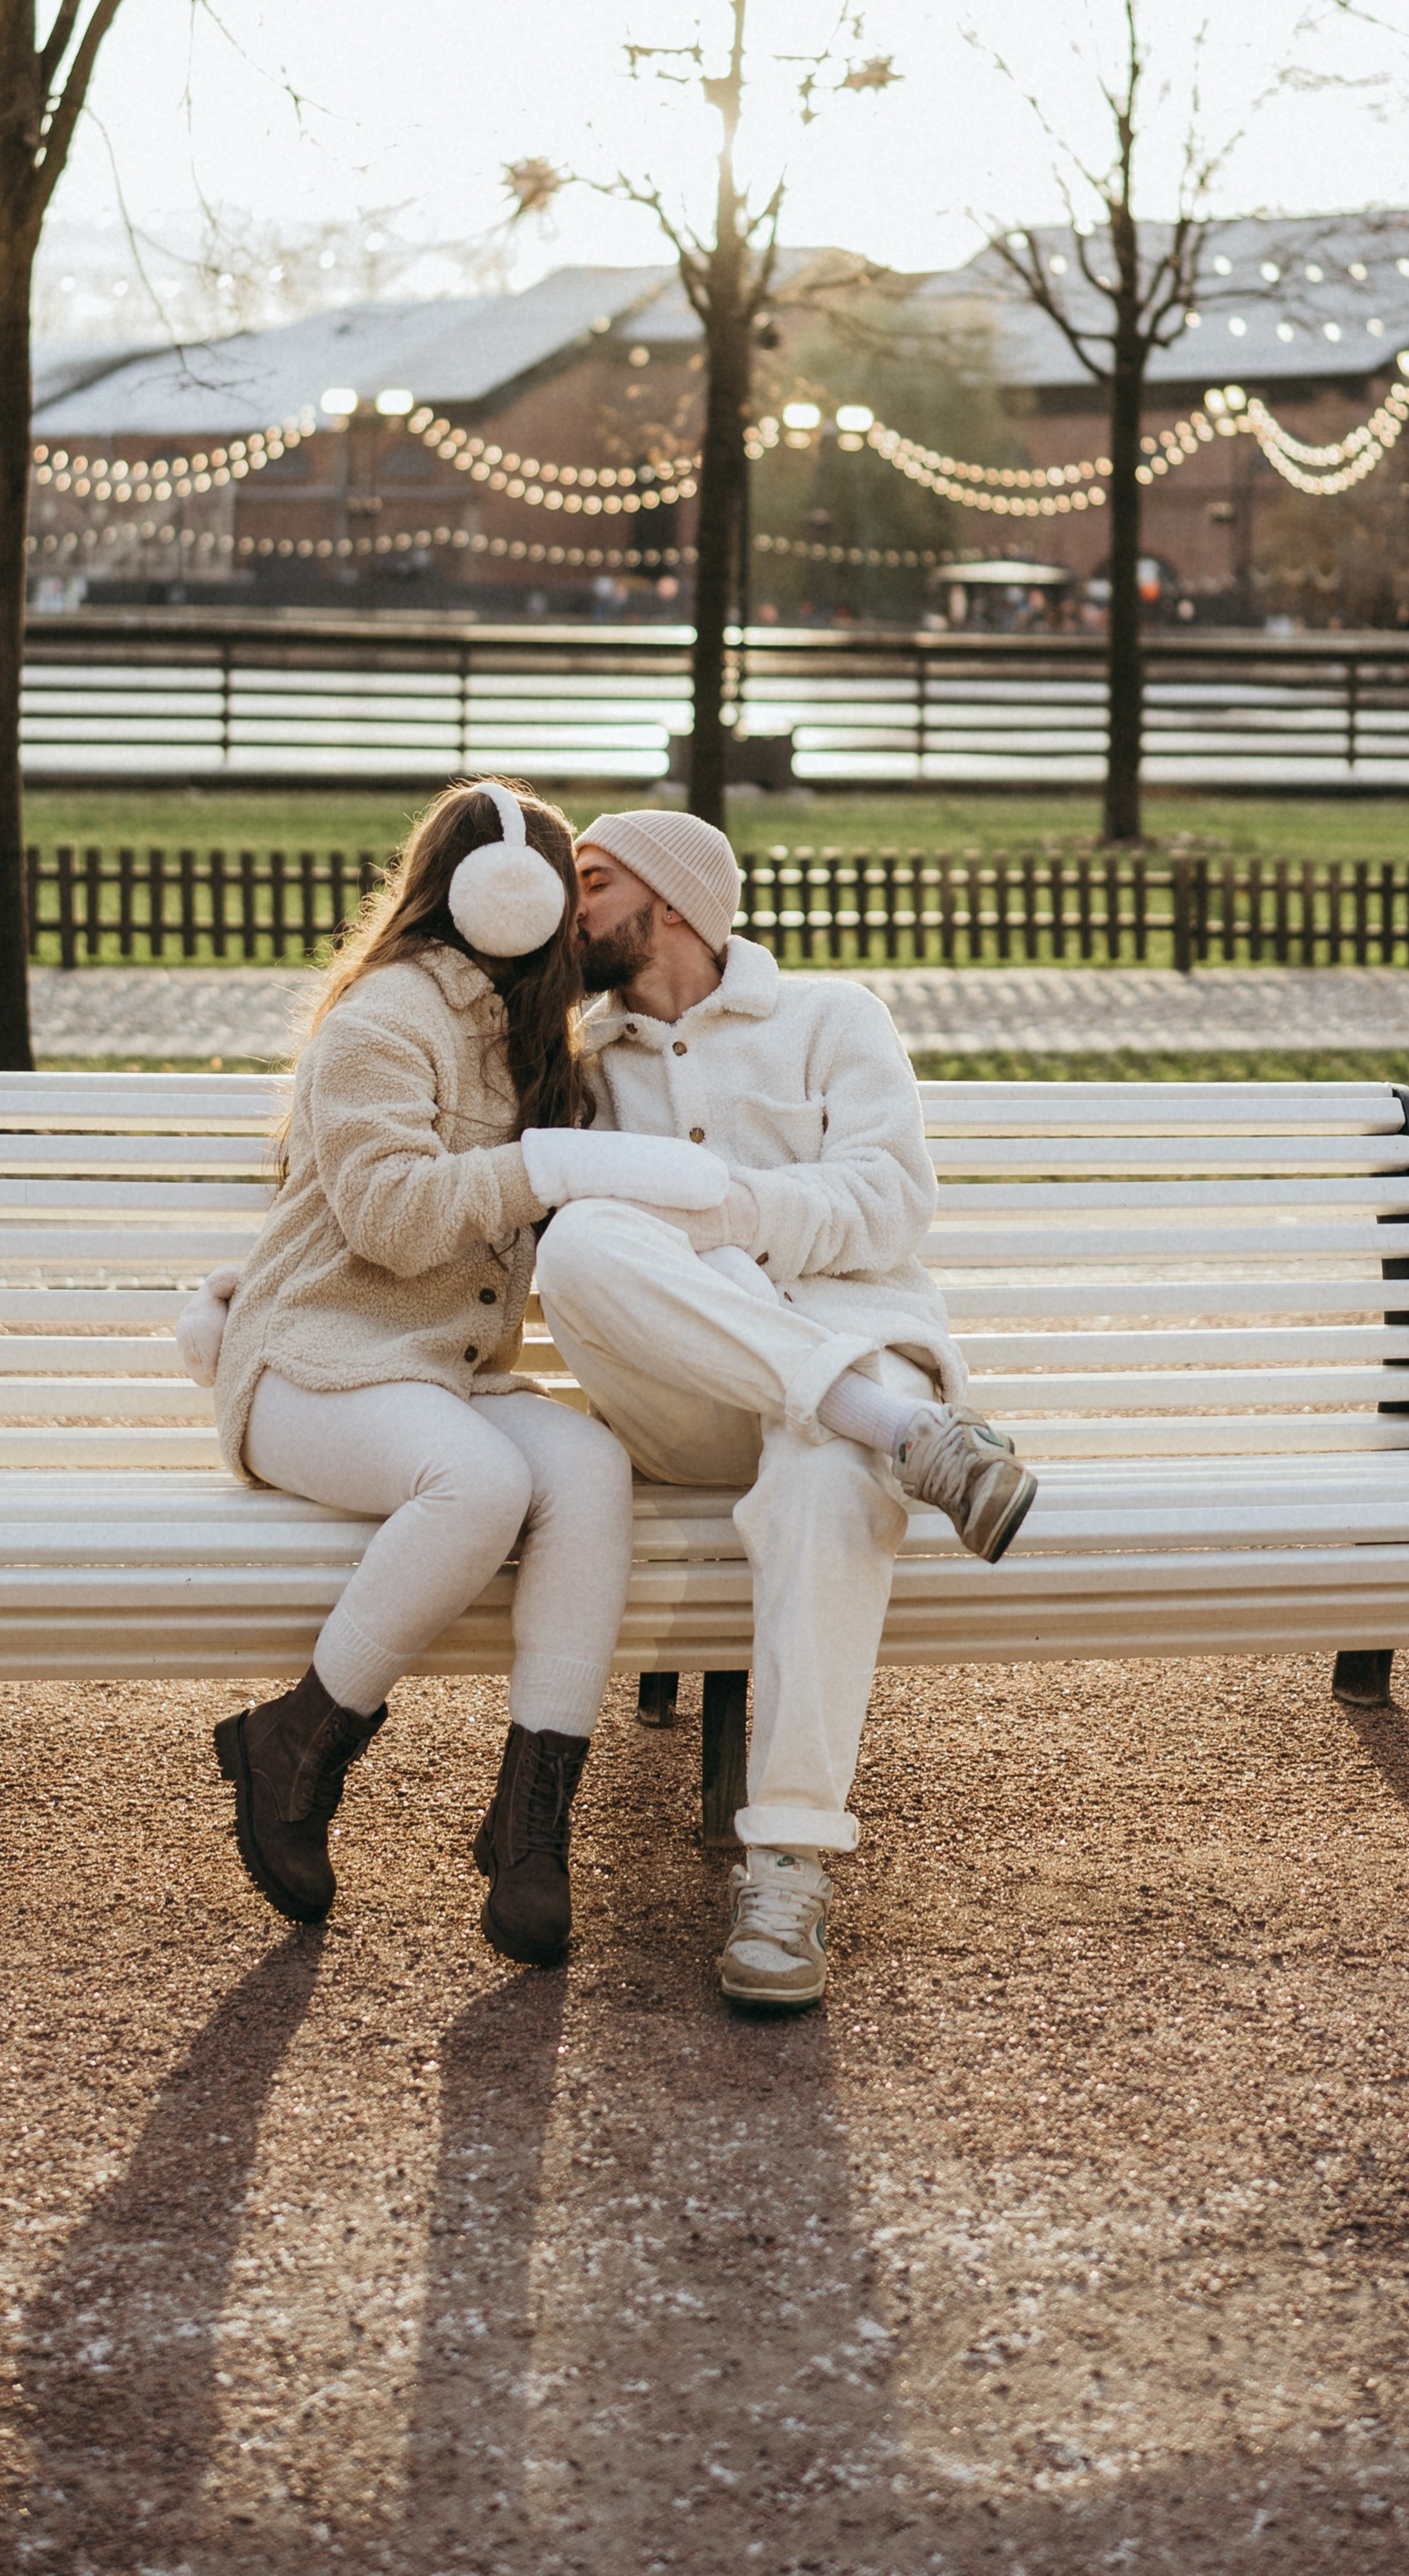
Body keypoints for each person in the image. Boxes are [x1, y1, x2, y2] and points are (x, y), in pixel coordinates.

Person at [176, 779, 727, 1966]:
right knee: (476, 1484)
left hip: (434, 1376)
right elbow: (390, 1219)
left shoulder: (534, 1035)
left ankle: (530, 1831)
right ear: (467, 893)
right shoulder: (384, 1018)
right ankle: (293, 1746)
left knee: (584, 1468)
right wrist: (546, 1168)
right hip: (304, 1368)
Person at [531, 810, 1037, 2019]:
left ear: (675, 902)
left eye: (592, 884)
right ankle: (905, 1435)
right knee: (590, 1236)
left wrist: (722, 1212)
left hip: (863, 1345)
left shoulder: (833, 1019)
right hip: (698, 1399)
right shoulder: (581, 1066)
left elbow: (889, 1202)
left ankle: (788, 1870)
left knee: (827, 1474)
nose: (571, 909)